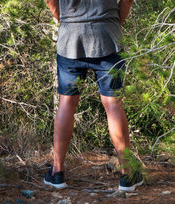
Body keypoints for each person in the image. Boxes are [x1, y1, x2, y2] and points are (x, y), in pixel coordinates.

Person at [44, 0, 143, 191]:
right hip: (108, 36)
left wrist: (66, 20)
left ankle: (56, 173)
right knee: (113, 104)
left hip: (70, 38)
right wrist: (113, 21)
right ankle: (127, 175)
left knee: (66, 102)